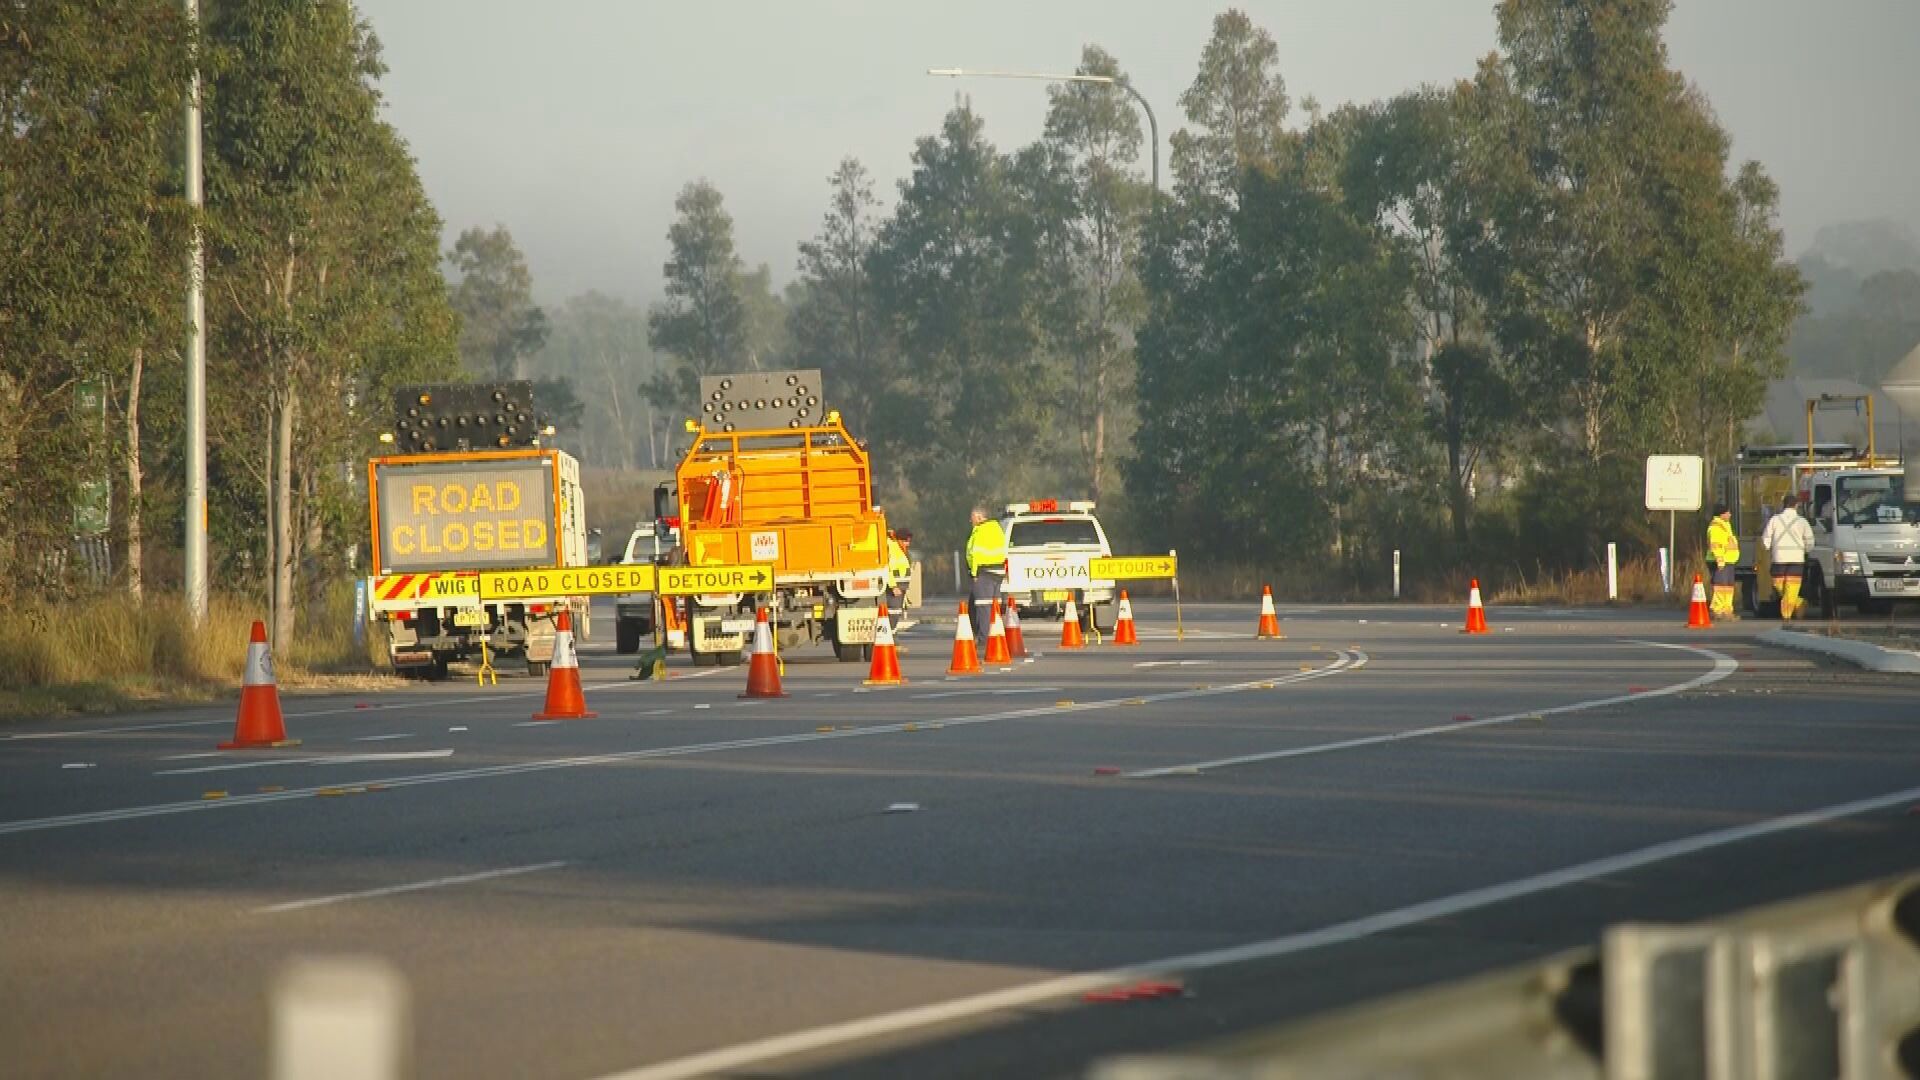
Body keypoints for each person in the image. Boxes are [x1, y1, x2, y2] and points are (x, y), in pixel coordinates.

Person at [1760, 492, 1815, 620]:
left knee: (1779, 586)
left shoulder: (1774, 520)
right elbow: (1810, 540)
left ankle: (1786, 616)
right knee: (1790, 588)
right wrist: (1806, 550)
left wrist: (1768, 547)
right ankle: (1799, 602)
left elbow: (1765, 538)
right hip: (1797, 560)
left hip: (1778, 558)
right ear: (1796, 506)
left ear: (1783, 505)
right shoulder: (1802, 522)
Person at [964, 506, 1007, 643]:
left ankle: (984, 639)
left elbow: (976, 553)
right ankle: (997, 637)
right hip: (998, 571)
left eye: (972, 518)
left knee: (983, 606)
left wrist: (974, 573)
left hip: (984, 572)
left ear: (978, 517)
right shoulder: (997, 528)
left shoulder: (980, 530)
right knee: (995, 606)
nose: (970, 521)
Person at [1706, 502, 1741, 620]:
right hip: (1720, 561)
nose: (1730, 514)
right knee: (1720, 586)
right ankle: (1717, 610)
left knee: (1728, 587)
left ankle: (1726, 610)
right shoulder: (1716, 526)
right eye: (1728, 512)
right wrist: (1720, 560)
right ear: (1722, 514)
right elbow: (1716, 545)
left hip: (1728, 561)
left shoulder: (1725, 525)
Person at [885, 529, 913, 628]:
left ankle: (892, 636)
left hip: (901, 586)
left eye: (909, 541)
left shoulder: (900, 549)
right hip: (895, 587)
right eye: (906, 541)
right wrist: (893, 586)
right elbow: (887, 568)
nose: (907, 544)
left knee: (896, 612)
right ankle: (891, 637)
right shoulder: (893, 548)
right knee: (893, 612)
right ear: (899, 540)